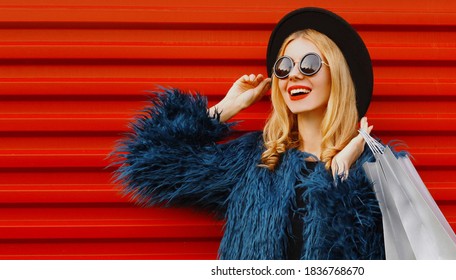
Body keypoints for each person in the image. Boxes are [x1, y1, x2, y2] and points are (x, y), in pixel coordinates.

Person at [113, 7, 385, 260]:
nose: (293, 75)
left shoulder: (374, 167)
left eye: (309, 64)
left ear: (336, 74)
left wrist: (340, 177)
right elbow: (150, 165)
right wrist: (225, 109)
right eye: (284, 67)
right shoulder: (255, 160)